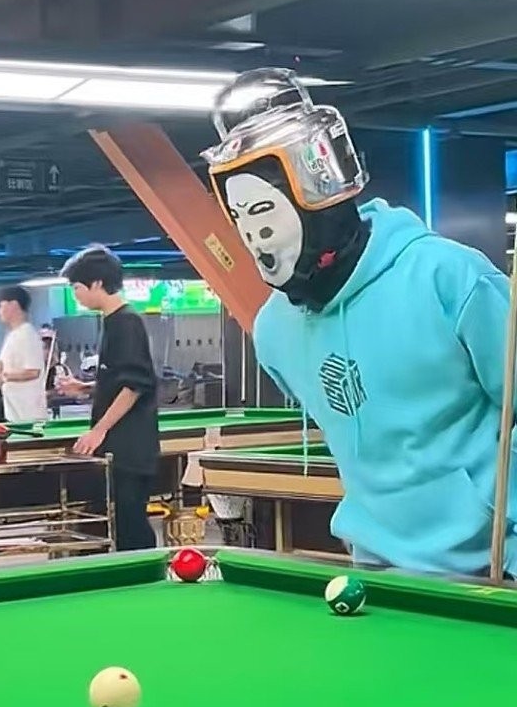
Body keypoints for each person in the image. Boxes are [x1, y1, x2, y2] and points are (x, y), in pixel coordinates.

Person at [202, 67, 517, 576]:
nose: (256, 236)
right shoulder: (274, 331)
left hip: (495, 570)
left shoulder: (449, 277)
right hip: (374, 574)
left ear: (322, 189)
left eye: (263, 209)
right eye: (241, 218)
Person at [57, 246, 160, 551]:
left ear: (97, 283)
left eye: (77, 287)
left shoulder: (126, 322)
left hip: (130, 448)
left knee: (131, 527)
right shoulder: (112, 320)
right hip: (120, 447)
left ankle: (146, 578)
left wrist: (99, 430)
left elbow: (135, 385)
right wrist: (87, 387)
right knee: (119, 526)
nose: (76, 294)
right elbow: (119, 379)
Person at [0, 286, 47, 422]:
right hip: (14, 409)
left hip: (29, 411)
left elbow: (33, 372)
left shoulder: (27, 334)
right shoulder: (12, 335)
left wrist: (4, 377)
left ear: (13, 305)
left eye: (1, 306)